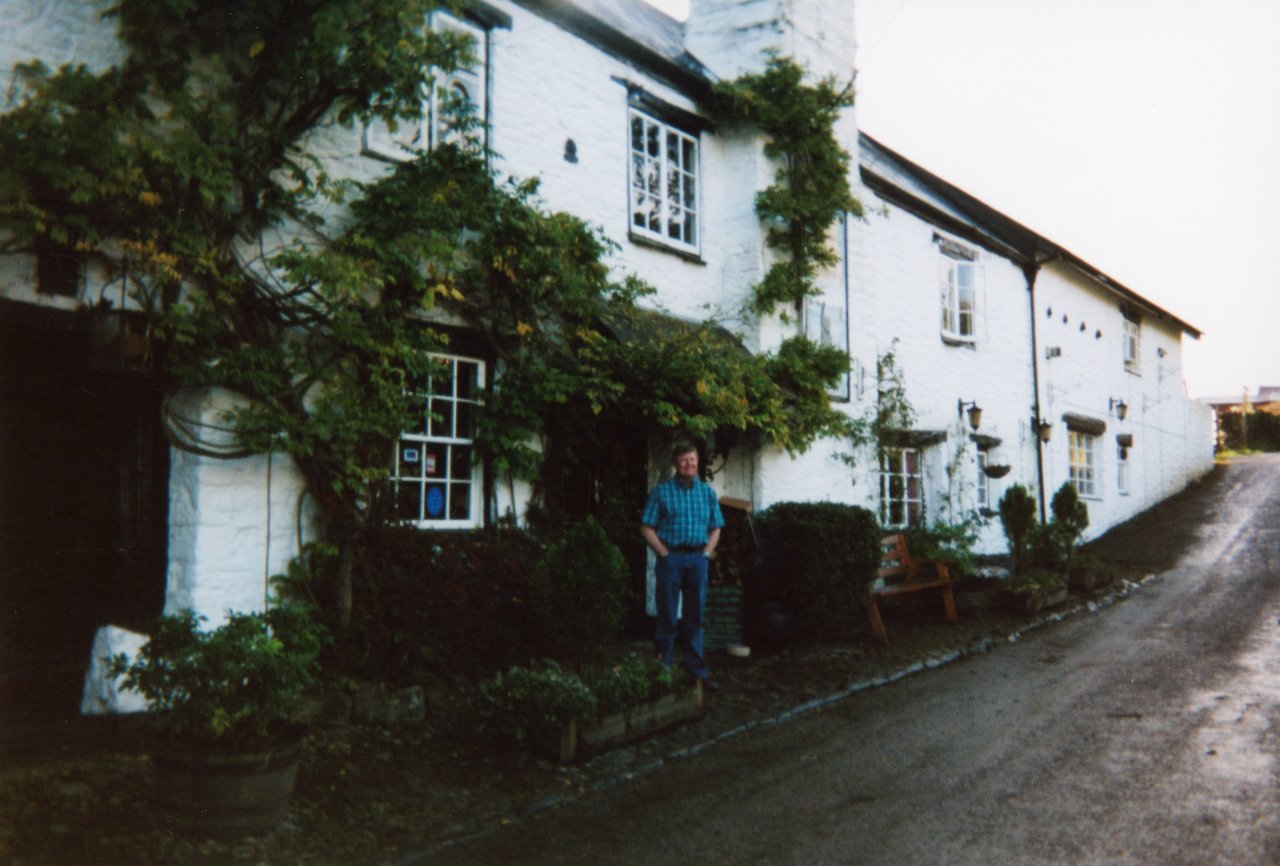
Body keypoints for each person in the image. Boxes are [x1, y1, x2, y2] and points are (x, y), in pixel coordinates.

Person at [640, 442, 725, 691]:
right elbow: (646, 526)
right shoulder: (662, 492)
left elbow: (716, 527)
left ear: (698, 462)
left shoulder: (707, 493)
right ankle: (662, 672)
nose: (690, 464)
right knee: (666, 615)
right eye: (684, 460)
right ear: (676, 464)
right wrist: (664, 553)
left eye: (693, 459)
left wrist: (706, 553)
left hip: (697, 560)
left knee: (695, 617)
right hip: (671, 560)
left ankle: (696, 671)